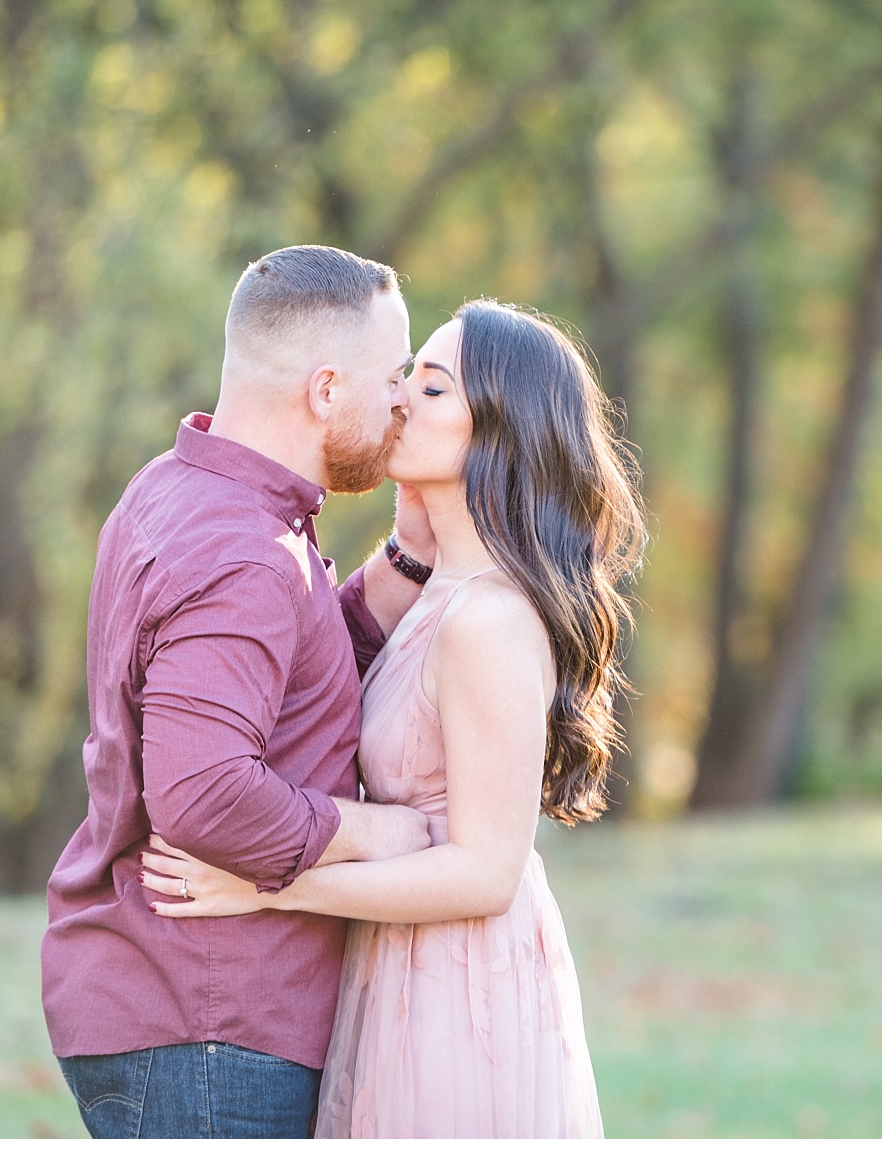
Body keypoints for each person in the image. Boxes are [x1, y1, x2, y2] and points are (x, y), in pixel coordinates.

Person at [139, 299, 645, 1137]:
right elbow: (324, 673)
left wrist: (270, 887)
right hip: (399, 962)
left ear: (498, 435)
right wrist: (407, 550)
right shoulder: (437, 594)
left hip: (462, 984)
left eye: (434, 386)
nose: (400, 395)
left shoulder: (488, 620)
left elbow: (487, 871)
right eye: (407, 373)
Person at [41, 245, 441, 1138]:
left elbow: (286, 673)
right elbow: (204, 788)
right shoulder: (244, 554)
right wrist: (377, 832)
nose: (403, 398)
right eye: (394, 373)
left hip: (175, 1011)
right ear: (326, 389)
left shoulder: (184, 493)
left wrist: (406, 560)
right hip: (209, 1026)